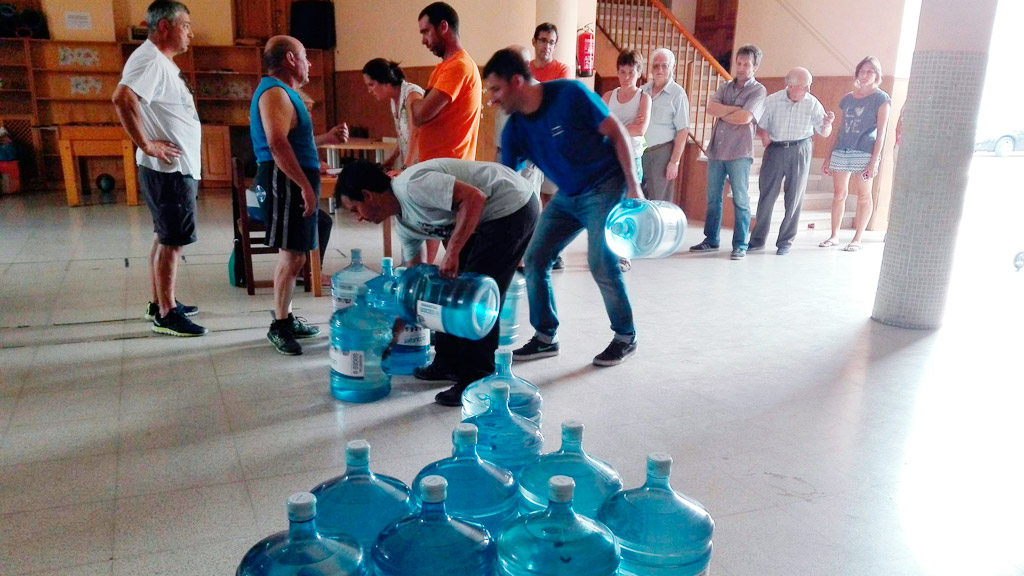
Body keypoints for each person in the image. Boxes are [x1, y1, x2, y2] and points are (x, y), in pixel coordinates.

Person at [484, 48, 644, 367]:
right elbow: (504, 176)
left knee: (601, 261)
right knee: (535, 258)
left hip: (606, 185)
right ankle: (545, 337)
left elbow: (616, 131)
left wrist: (633, 184)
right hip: (568, 195)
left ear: (517, 82)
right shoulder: (516, 127)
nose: (492, 99)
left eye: (496, 89)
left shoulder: (569, 94)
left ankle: (626, 336)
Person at [336, 159, 539, 406]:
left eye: (355, 209)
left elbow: (474, 198)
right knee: (441, 290)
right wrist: (398, 326)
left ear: (367, 195)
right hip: (483, 217)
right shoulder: (405, 224)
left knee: (474, 297)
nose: (358, 218)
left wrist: (452, 252)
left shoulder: (412, 185)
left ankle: (476, 378)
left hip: (512, 207)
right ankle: (447, 363)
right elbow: (415, 286)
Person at [250, 35, 349, 355]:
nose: (309, 63)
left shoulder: (284, 93)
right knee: (291, 255)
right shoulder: (275, 92)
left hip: (291, 177)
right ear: (291, 59)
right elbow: (277, 144)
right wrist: (304, 186)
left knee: (297, 253)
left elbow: (291, 141)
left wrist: (324, 139)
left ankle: (287, 317)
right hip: (283, 180)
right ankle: (279, 325)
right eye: (305, 56)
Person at [113, 0, 206, 337]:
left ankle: (160, 302)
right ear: (164, 26)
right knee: (172, 241)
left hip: (171, 169)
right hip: (168, 170)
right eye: (185, 25)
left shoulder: (158, 60)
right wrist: (147, 144)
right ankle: (167, 314)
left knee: (164, 236)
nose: (190, 33)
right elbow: (123, 98)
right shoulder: (151, 58)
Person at [412, 2, 482, 265]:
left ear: (443, 27)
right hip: (437, 166)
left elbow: (420, 114)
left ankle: (473, 298)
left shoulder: (457, 67)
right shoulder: (443, 68)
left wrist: (415, 97)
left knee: (460, 253)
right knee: (444, 238)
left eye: (426, 32)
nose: (423, 40)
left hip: (450, 168)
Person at [690, 44, 767, 260]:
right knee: (713, 198)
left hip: (740, 152)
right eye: (739, 63)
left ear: (755, 67)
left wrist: (727, 112)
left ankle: (740, 244)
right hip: (717, 149)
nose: (741, 68)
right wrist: (736, 110)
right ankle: (711, 239)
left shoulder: (758, 90)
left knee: (740, 199)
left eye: (746, 65)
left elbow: (746, 119)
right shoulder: (726, 87)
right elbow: (710, 108)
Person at [748, 67, 834, 255]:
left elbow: (824, 132)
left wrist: (827, 124)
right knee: (766, 195)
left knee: (794, 197)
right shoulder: (772, 101)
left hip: (800, 148)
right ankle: (757, 239)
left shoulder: (812, 103)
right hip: (776, 150)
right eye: (804, 86)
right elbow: (761, 125)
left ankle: (785, 241)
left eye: (809, 86)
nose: (808, 90)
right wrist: (765, 136)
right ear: (791, 86)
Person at [820, 56, 891, 252]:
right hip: (843, 148)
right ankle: (834, 235)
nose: (865, 75)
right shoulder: (848, 98)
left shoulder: (881, 98)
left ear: (877, 75)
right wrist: (828, 156)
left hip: (864, 150)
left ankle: (857, 238)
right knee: (839, 193)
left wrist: (874, 161)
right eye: (862, 71)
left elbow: (882, 132)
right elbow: (840, 128)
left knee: (863, 194)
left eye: (870, 71)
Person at [640, 48, 688, 204]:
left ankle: (660, 230)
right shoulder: (643, 90)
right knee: (638, 200)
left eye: (664, 65)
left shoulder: (677, 94)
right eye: (655, 65)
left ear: (672, 68)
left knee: (659, 203)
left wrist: (674, 162)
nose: (659, 69)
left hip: (662, 154)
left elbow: (683, 131)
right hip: (640, 152)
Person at [362, 58, 424, 172]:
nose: (369, 91)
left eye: (371, 85)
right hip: (412, 166)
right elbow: (403, 136)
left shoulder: (412, 94)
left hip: (425, 163)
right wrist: (390, 161)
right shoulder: (394, 99)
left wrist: (405, 169)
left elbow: (416, 133)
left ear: (384, 81)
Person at [602, 49, 650, 185]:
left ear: (639, 74)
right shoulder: (608, 96)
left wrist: (613, 128)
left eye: (631, 73)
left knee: (631, 203)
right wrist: (629, 126)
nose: (626, 77)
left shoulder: (643, 98)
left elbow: (640, 130)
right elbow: (599, 126)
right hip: (610, 156)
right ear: (617, 72)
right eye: (622, 72)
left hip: (632, 157)